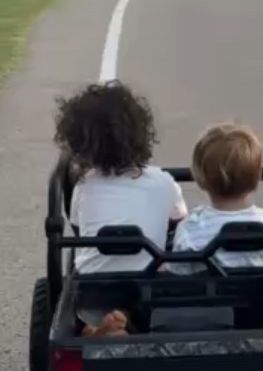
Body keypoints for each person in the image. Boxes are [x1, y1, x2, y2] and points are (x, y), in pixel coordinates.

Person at [55, 81, 187, 333]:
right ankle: (128, 326)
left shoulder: (84, 187)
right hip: (148, 288)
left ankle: (91, 330)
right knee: (167, 265)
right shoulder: (164, 182)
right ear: (140, 132)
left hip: (94, 290)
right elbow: (181, 224)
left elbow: (78, 226)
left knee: (82, 298)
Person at [173, 121, 263, 270]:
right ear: (256, 179)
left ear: (200, 179)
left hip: (206, 292)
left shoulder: (190, 227)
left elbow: (178, 273)